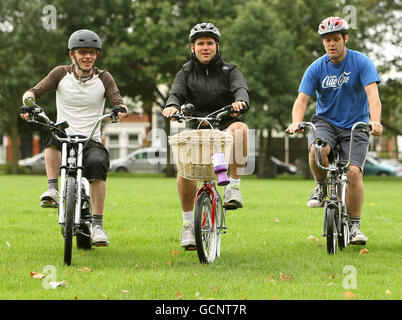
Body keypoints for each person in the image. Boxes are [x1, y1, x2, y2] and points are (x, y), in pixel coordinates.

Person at [20, 29, 128, 247]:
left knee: (98, 164)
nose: (87, 56)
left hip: (91, 139)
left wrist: (120, 109)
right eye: (82, 52)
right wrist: (28, 104)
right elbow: (33, 91)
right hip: (65, 135)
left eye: (92, 52)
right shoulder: (60, 73)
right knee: (52, 134)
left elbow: (118, 99)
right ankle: (52, 189)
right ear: (72, 55)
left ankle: (97, 225)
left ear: (97, 55)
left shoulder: (104, 77)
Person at [285, 17, 383, 244]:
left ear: (345, 39)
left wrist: (375, 121)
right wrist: (296, 121)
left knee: (354, 173)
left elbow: (373, 96)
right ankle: (321, 188)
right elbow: (301, 100)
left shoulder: (361, 62)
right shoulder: (316, 68)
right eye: (327, 40)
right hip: (325, 123)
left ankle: (355, 225)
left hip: (356, 126)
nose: (331, 44)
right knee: (317, 151)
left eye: (336, 39)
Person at [162, 22, 250, 249]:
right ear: (193, 48)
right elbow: (176, 93)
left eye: (209, 43)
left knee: (240, 130)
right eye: (200, 43)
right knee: (185, 168)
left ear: (217, 46)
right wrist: (172, 105)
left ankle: (233, 187)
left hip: (225, 122)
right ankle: (188, 226)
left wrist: (241, 101)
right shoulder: (185, 72)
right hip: (197, 126)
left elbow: (241, 89)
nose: (205, 47)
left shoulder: (230, 71)